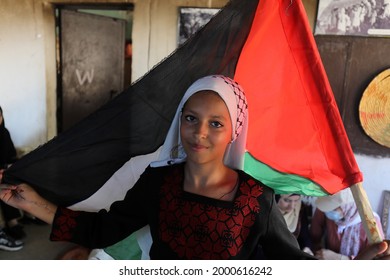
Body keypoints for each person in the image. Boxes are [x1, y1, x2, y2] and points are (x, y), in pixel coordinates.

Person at [0, 75, 389, 260]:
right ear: (179, 121)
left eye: (215, 123)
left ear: (233, 132)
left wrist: (357, 269)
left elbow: (290, 265)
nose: (199, 133)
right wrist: (33, 203)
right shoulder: (156, 184)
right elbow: (102, 229)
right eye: (190, 118)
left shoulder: (256, 199)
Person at [310, 188, 384, 260]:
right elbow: (314, 236)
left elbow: (375, 257)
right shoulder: (325, 210)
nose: (328, 211)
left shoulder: (371, 223)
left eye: (334, 208)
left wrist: (342, 259)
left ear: (347, 206)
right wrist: (314, 252)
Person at [0, 106, 24, 251]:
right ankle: (12, 222)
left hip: (6, 169)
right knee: (5, 183)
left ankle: (29, 216)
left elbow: (12, 154)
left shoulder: (4, 132)